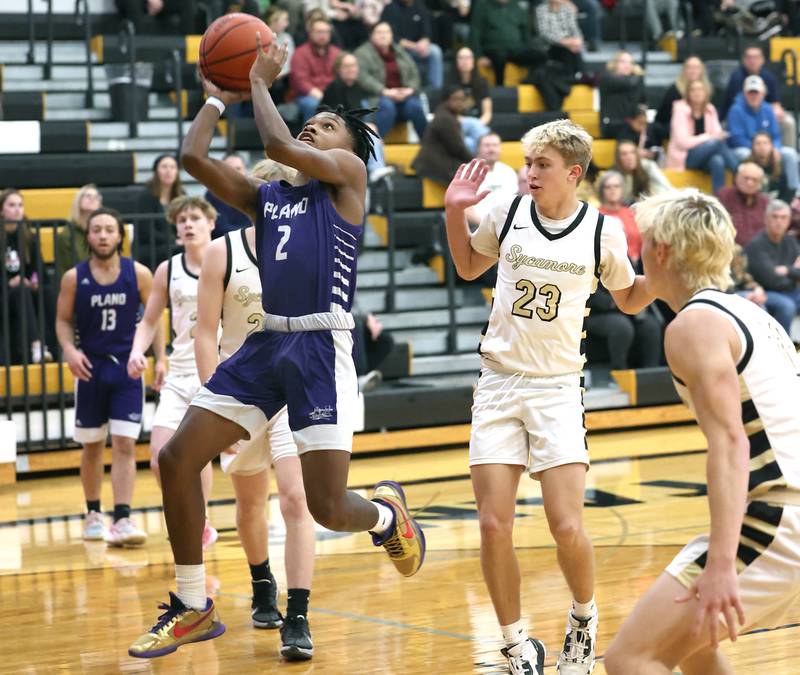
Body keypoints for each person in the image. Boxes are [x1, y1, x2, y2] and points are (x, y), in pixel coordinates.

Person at [128, 34, 425, 658]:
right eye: (311, 122)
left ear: (349, 150)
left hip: (320, 347)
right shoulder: (268, 198)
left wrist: (260, 82)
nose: (314, 129)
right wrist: (216, 98)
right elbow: (192, 158)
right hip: (266, 345)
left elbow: (277, 145)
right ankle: (192, 605)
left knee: (326, 507)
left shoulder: (349, 180)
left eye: (327, 126)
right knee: (176, 459)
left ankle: (385, 517)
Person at [443, 118, 653, 675]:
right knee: (493, 525)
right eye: (528, 163)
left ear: (573, 173)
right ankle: (516, 645)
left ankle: (583, 619)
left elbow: (629, 299)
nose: (530, 173)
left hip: (557, 387)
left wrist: (662, 269)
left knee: (566, 526)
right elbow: (468, 266)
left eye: (542, 165)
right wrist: (453, 212)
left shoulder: (602, 231)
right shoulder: (507, 211)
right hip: (498, 383)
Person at [604, 188, 800, 675]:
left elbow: (731, 443)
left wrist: (722, 563)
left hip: (777, 520)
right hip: (788, 514)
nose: (639, 252)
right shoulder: (747, 313)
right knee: (692, 651)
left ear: (662, 250)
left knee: (630, 659)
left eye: (645, 242)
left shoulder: (695, 326)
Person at [195, 175, 317, 660]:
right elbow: (206, 333)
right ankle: (262, 581)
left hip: (290, 387)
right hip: (241, 388)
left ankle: (298, 614)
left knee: (296, 497)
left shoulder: (307, 247)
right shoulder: (222, 251)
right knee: (250, 503)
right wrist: (214, 400)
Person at [55, 207, 153, 546]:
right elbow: (62, 320)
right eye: (96, 229)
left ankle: (122, 518)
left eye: (109, 229)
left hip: (126, 368)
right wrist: (70, 350)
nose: (102, 235)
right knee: (93, 445)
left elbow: (153, 317)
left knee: (125, 443)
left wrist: (158, 357)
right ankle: (94, 513)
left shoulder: (138, 273)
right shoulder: (74, 277)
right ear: (88, 235)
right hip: (90, 368)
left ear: (120, 235)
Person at [127, 195, 218, 550]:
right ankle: (193, 514)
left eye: (195, 217)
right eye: (182, 220)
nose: (188, 224)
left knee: (197, 453)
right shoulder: (169, 269)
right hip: (179, 373)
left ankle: (200, 522)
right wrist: (138, 351)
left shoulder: (225, 260)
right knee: (159, 459)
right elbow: (149, 320)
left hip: (215, 371)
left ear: (211, 223)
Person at [727, 75, 800, 197]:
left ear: (763, 94)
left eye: (756, 93)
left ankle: (795, 192)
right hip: (746, 148)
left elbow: (776, 135)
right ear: (744, 94)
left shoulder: (768, 109)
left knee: (790, 154)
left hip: (767, 146)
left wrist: (774, 148)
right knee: (744, 154)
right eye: (750, 93)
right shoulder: (735, 110)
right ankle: (746, 191)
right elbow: (736, 138)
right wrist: (758, 147)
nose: (753, 96)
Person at [354, 21, 428, 139]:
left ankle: (427, 143)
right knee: (387, 107)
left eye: (387, 32)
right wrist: (385, 91)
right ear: (371, 35)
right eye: (379, 32)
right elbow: (362, 77)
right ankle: (374, 143)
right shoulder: (361, 53)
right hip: (377, 98)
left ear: (391, 35)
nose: (383, 35)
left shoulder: (399, 51)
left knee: (415, 106)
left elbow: (414, 72)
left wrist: (410, 89)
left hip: (402, 97)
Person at [1, 188, 49, 364]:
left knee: (48, 292)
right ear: (1, 210)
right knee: (20, 290)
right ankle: (36, 346)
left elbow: (38, 268)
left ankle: (59, 349)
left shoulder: (28, 235)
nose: (17, 210)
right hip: (4, 293)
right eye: (12, 205)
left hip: (24, 291)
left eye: (20, 205)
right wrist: (8, 283)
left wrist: (34, 280)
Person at [666, 79, 739, 193]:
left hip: (706, 155)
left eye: (700, 89)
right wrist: (707, 137)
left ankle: (719, 199)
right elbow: (683, 142)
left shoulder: (710, 109)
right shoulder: (680, 109)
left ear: (706, 92)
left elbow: (718, 134)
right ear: (687, 93)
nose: (697, 92)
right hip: (685, 157)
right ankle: (739, 172)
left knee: (717, 161)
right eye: (693, 90)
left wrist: (710, 139)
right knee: (716, 144)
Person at [722, 44, 797, 149]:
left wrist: (775, 109)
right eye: (749, 57)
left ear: (762, 60)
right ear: (744, 60)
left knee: (788, 122)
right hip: (741, 115)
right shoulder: (736, 77)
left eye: (756, 57)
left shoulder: (769, 77)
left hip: (764, 114)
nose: (752, 61)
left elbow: (775, 102)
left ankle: (786, 152)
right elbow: (734, 103)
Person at [744, 199, 800, 334]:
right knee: (786, 306)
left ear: (789, 220)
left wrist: (786, 270)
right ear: (766, 219)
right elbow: (771, 280)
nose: (779, 221)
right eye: (775, 217)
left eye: (783, 217)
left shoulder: (791, 241)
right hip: (763, 292)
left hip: (790, 291)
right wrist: (794, 272)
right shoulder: (756, 245)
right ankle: (782, 344)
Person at [469, 0, 547, 86]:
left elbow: (525, 31)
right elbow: (475, 32)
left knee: (540, 56)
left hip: (516, 49)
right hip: (493, 49)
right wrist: (478, 56)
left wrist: (527, 47)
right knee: (499, 57)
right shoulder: (482, 5)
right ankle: (499, 88)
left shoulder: (516, 5)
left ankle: (531, 82)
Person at [412, 85, 473, 186]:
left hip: (435, 162)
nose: (460, 103)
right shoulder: (445, 119)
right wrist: (474, 162)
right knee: (471, 176)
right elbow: (457, 148)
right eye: (456, 99)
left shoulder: (444, 114)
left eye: (462, 99)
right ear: (446, 100)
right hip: (433, 165)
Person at [135, 154, 186, 270]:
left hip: (174, 245)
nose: (168, 171)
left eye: (172, 167)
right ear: (156, 171)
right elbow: (145, 231)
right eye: (164, 167)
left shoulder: (181, 195)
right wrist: (173, 240)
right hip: (151, 247)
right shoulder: (146, 196)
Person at [380, 0, 443, 89]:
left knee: (435, 51)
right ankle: (409, 88)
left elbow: (427, 29)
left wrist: (425, 41)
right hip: (400, 48)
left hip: (420, 46)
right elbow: (392, 37)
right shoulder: (390, 9)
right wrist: (414, 46)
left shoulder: (419, 6)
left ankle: (436, 89)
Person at [289, 17, 341, 122]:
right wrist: (322, 96)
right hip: (307, 95)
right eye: (319, 32)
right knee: (314, 104)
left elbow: (341, 77)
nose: (323, 35)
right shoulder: (300, 53)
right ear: (310, 33)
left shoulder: (337, 53)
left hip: (332, 93)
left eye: (326, 32)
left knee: (360, 102)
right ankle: (309, 132)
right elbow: (300, 81)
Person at [465, 132, 519, 226]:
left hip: (506, 227)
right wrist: (486, 227)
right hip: (477, 227)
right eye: (487, 145)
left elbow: (514, 203)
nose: (492, 149)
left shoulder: (508, 171)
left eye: (495, 145)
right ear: (478, 149)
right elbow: (463, 209)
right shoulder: (468, 172)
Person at [446, 47, 492, 150]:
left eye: (467, 57)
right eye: (461, 58)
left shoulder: (482, 82)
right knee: (470, 141)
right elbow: (447, 112)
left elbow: (487, 113)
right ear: (456, 61)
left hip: (479, 123)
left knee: (470, 143)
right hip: (457, 124)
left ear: (473, 61)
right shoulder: (449, 84)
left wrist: (476, 125)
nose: (464, 61)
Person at [716, 161, 769, 246]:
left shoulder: (765, 202)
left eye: (754, 180)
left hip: (759, 250)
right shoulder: (723, 196)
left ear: (760, 183)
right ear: (737, 178)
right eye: (746, 178)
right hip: (730, 249)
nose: (750, 183)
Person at [56, 184, 102, 280]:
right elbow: (64, 270)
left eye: (96, 197)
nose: (92, 199)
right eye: (88, 196)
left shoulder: (103, 232)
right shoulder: (66, 235)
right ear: (78, 201)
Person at [599, 51, 647, 141]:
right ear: (614, 64)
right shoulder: (607, 78)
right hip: (611, 124)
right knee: (627, 130)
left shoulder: (636, 82)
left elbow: (642, 102)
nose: (627, 65)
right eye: (622, 62)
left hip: (631, 124)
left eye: (630, 62)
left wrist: (641, 119)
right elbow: (628, 83)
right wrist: (639, 76)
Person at [597, 170, 641, 265]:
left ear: (622, 189)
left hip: (635, 264)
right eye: (608, 187)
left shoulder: (631, 213)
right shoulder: (595, 215)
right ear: (602, 191)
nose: (613, 190)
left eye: (616, 186)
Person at [204, 153, 251, 239]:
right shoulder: (212, 194)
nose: (234, 172)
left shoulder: (253, 194)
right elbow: (218, 227)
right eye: (229, 168)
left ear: (245, 171)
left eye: (238, 168)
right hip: (221, 241)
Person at [534, 0, 584, 78]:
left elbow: (574, 29)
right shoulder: (541, 10)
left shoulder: (567, 9)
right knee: (568, 50)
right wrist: (565, 42)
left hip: (569, 43)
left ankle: (578, 76)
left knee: (574, 48)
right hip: (550, 46)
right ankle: (575, 76)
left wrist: (578, 40)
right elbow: (544, 33)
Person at [747, 130, 796, 202]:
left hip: (777, 203)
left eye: (765, 143)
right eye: (758, 143)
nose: (762, 147)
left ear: (771, 146)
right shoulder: (745, 166)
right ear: (752, 147)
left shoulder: (780, 165)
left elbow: (786, 192)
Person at [265, 5, 296, 103]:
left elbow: (290, 62)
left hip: (282, 77)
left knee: (278, 86)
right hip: (265, 74)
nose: (287, 24)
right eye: (284, 20)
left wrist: (279, 73)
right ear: (274, 21)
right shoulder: (263, 36)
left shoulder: (287, 37)